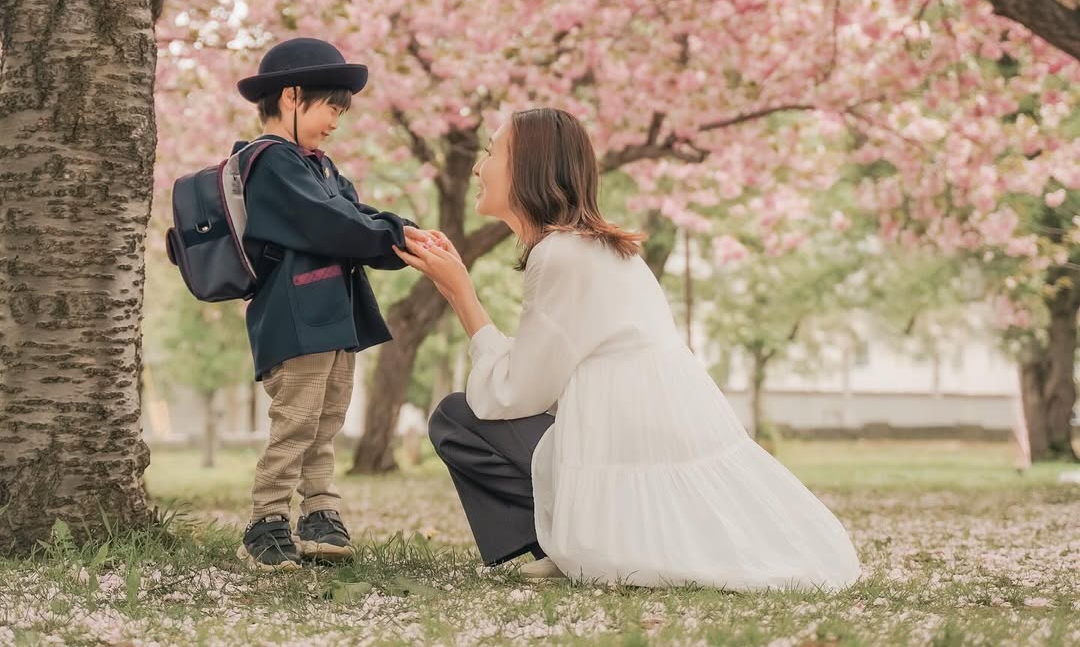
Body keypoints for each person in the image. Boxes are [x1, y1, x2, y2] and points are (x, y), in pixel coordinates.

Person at [396, 107, 861, 590]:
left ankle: (566, 544)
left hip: (618, 441)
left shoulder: (560, 255)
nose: (477, 166)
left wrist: (462, 295)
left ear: (527, 166)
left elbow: (515, 395)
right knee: (469, 411)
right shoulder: (596, 248)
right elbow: (546, 373)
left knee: (456, 417)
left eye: (492, 152)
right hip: (643, 435)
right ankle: (565, 542)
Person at [234, 37, 417, 571]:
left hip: (331, 316)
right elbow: (333, 224)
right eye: (330, 107)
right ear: (292, 96)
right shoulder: (271, 163)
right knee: (296, 421)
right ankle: (265, 521)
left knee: (326, 420)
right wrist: (398, 235)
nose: (336, 120)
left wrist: (399, 233)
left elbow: (355, 214)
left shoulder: (317, 165)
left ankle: (319, 514)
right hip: (293, 319)